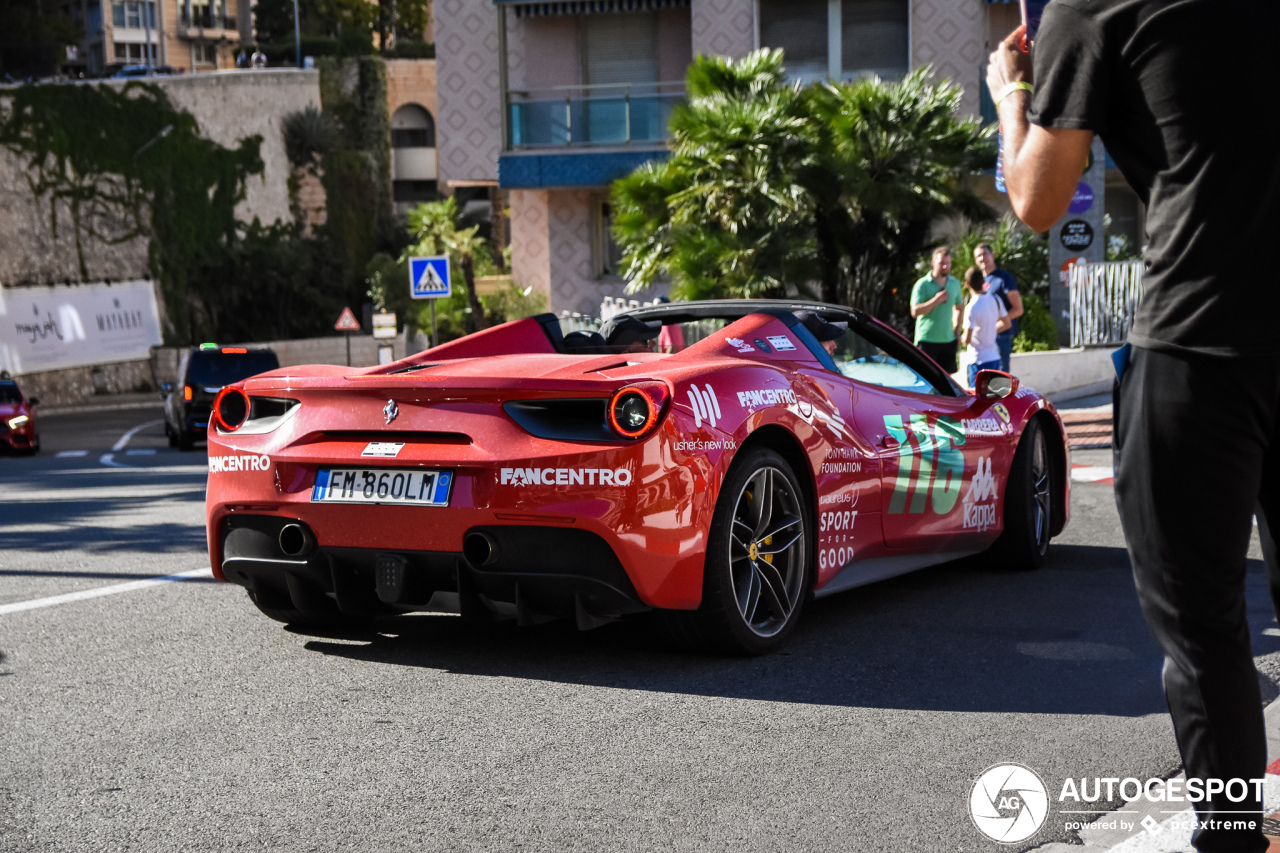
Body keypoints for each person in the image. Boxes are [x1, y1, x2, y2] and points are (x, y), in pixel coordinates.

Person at [988, 3, 1280, 851]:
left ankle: (1231, 837)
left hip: (1200, 347)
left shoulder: (1093, 10)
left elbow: (1037, 199)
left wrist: (1013, 95)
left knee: (1203, 630)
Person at [910, 247, 964, 375]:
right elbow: (915, 311)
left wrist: (957, 332)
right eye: (941, 263)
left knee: (947, 383)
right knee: (927, 380)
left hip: (948, 340)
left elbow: (959, 307)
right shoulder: (922, 284)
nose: (945, 266)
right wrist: (936, 300)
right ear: (933, 262)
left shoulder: (954, 283)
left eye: (948, 263)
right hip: (927, 340)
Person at [973, 243, 1022, 372]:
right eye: (979, 255)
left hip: (1001, 337)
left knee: (1000, 379)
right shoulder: (979, 281)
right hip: (983, 342)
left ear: (993, 255)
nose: (982, 258)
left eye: (985, 254)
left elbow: (1018, 309)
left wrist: (995, 326)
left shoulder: (1004, 278)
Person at [960, 267, 1009, 387]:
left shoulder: (971, 307)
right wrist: (991, 330)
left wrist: (959, 336)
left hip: (978, 360)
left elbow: (966, 339)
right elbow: (1007, 323)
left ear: (967, 284)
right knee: (993, 399)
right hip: (994, 357)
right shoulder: (996, 299)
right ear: (983, 282)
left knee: (978, 400)